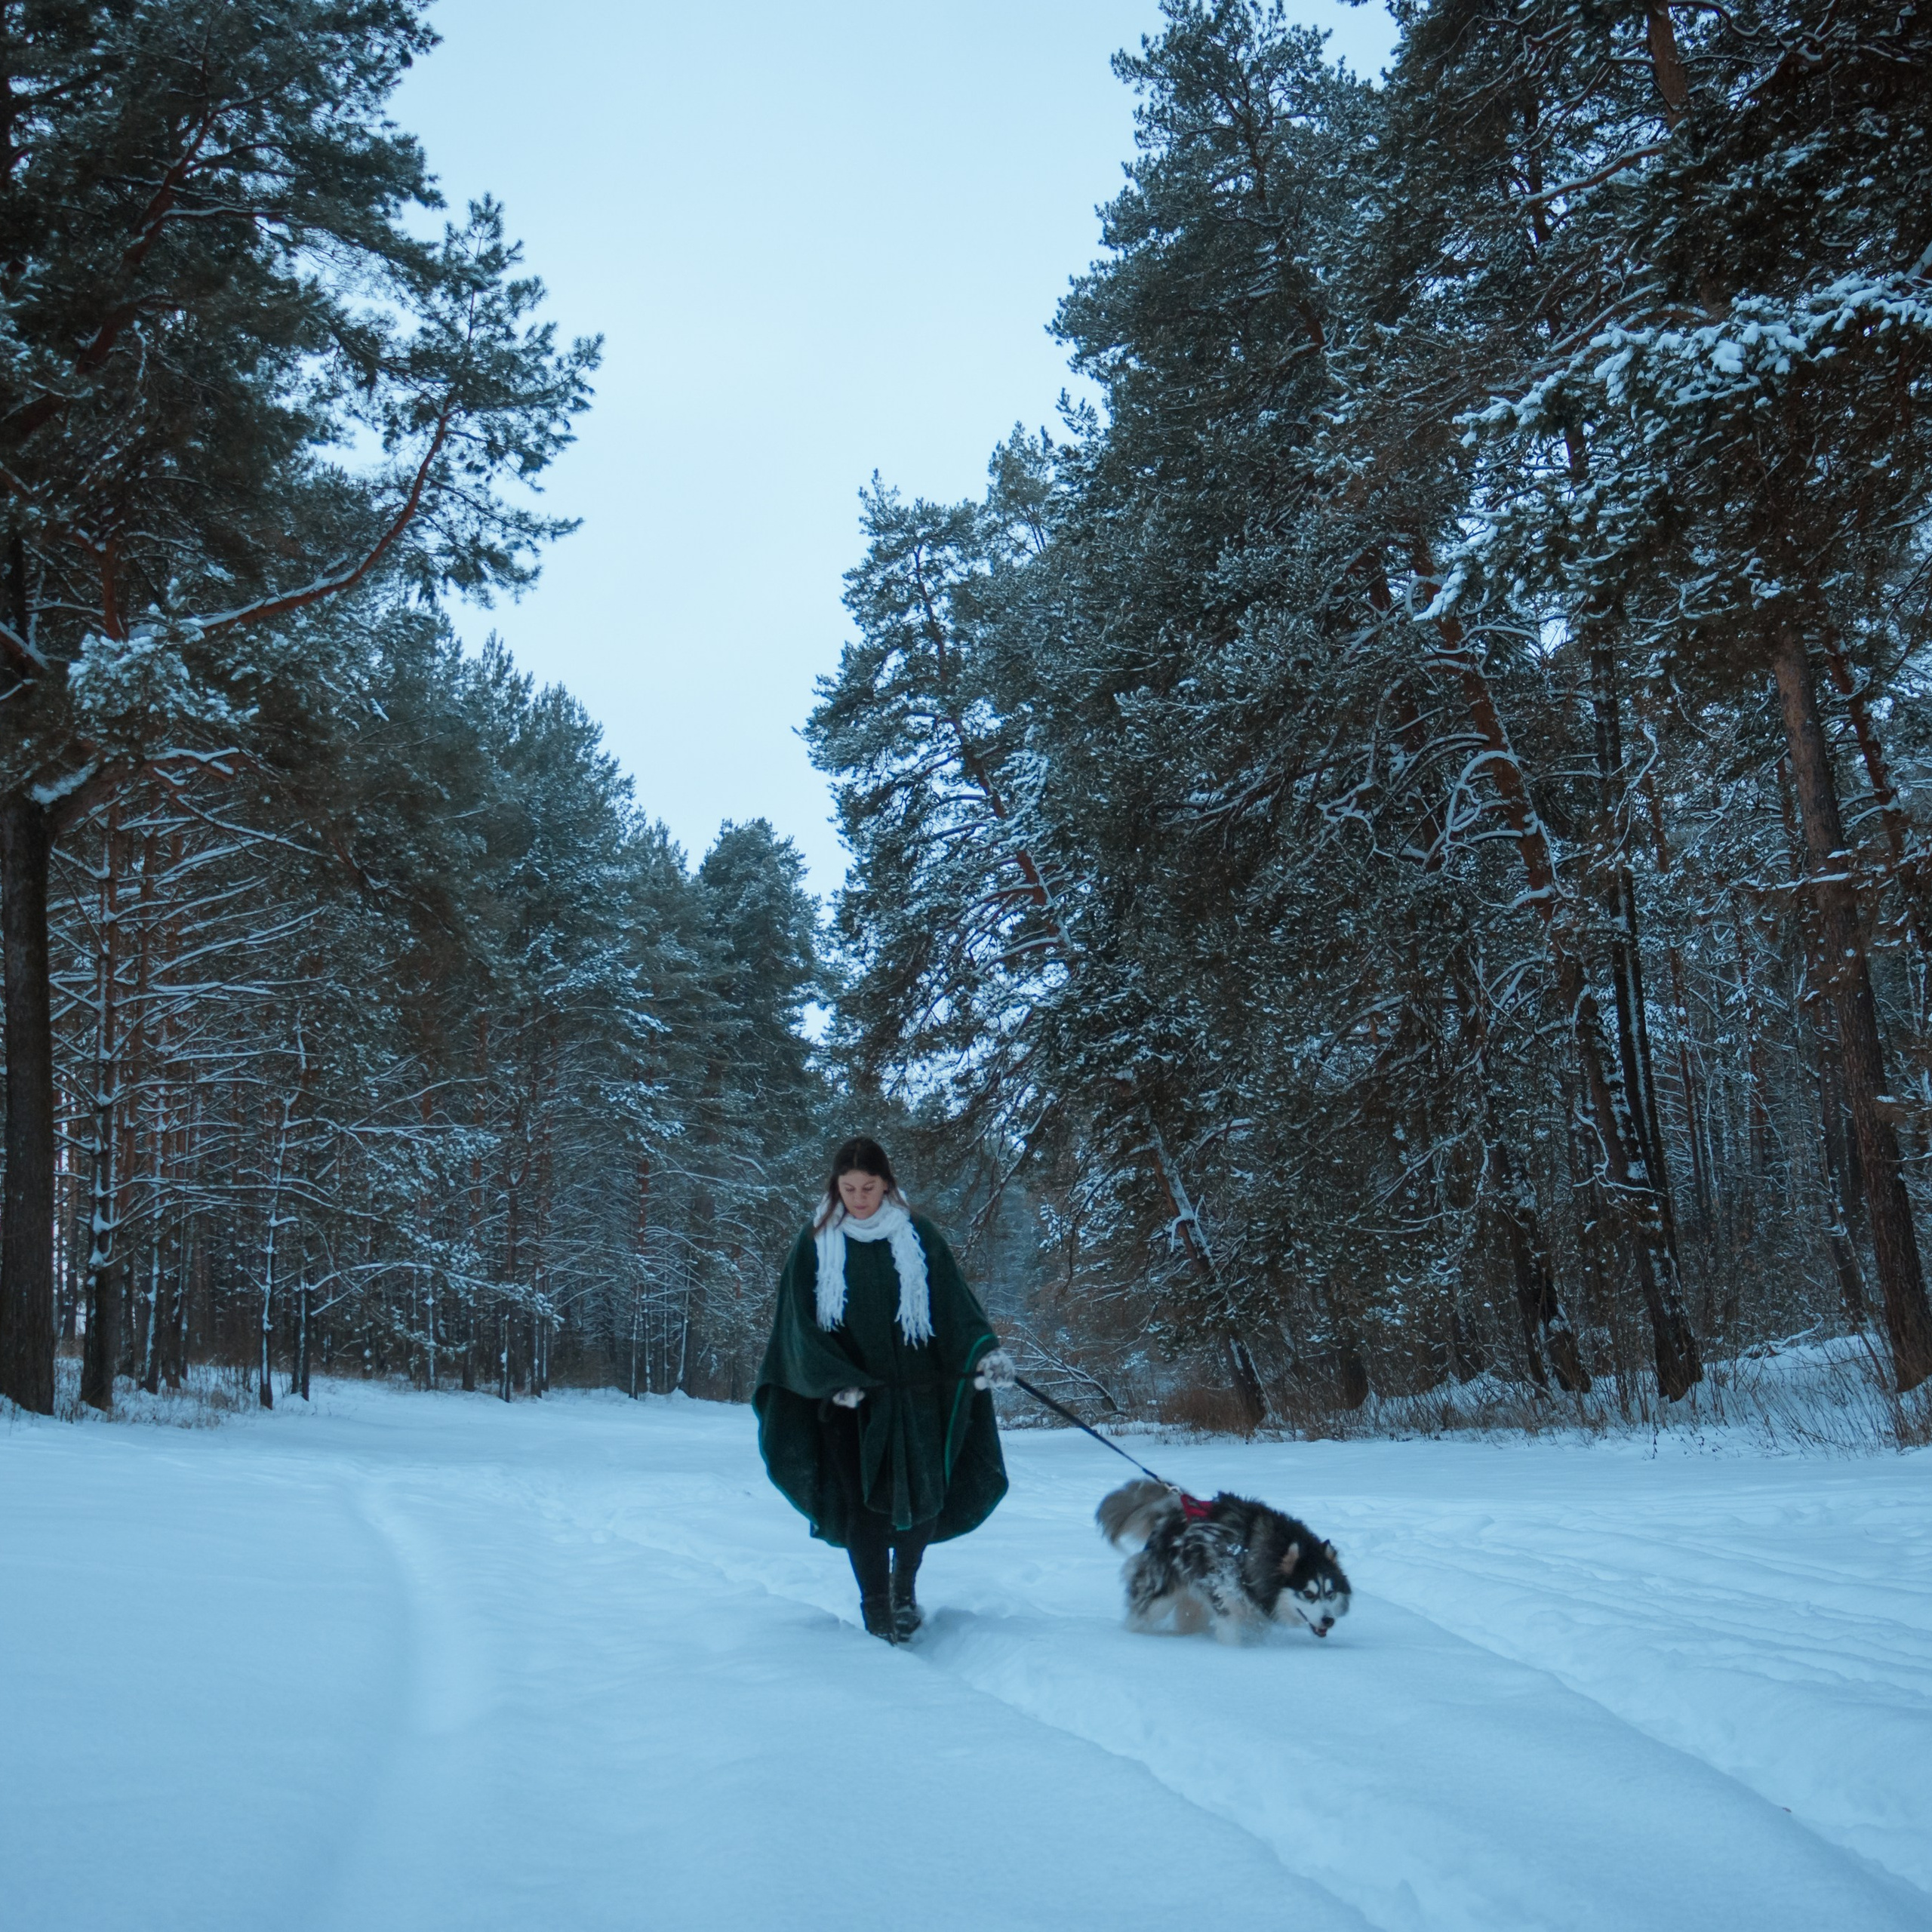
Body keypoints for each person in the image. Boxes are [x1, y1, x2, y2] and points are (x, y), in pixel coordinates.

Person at [755, 1137, 1014, 1642]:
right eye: (848, 1188)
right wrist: (834, 1379)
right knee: (865, 1507)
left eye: (868, 1187)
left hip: (917, 1400)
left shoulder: (919, 1236)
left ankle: (903, 1589)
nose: (858, 1197)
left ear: (887, 1184)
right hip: (848, 1402)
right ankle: (876, 1608)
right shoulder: (815, 1242)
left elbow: (954, 1307)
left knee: (923, 1501)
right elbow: (796, 1324)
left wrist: (986, 1353)